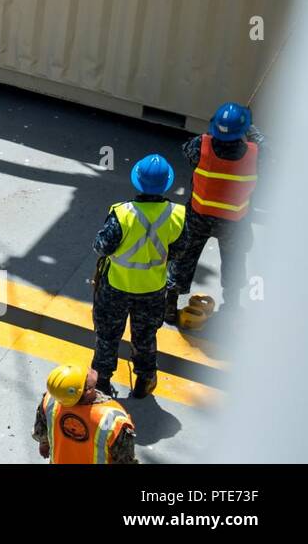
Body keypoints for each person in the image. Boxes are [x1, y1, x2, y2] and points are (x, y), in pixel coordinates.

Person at [90, 154, 189, 399]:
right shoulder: (177, 214)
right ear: (166, 184)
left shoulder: (122, 214)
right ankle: (144, 380)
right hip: (152, 291)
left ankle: (102, 383)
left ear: (137, 181)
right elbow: (179, 250)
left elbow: (101, 247)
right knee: (145, 336)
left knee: (108, 335)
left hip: (116, 288)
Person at [166, 102, 264, 323]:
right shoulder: (255, 154)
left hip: (199, 217)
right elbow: (267, 149)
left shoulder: (200, 146)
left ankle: (170, 304)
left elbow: (186, 151)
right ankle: (231, 306)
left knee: (183, 258)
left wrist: (214, 132)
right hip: (233, 222)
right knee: (234, 261)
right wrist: (252, 129)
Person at [33, 364, 135, 464]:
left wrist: (44, 444)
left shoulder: (51, 400)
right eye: (87, 374)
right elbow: (125, 460)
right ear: (88, 390)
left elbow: (41, 431)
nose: (89, 369)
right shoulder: (112, 419)